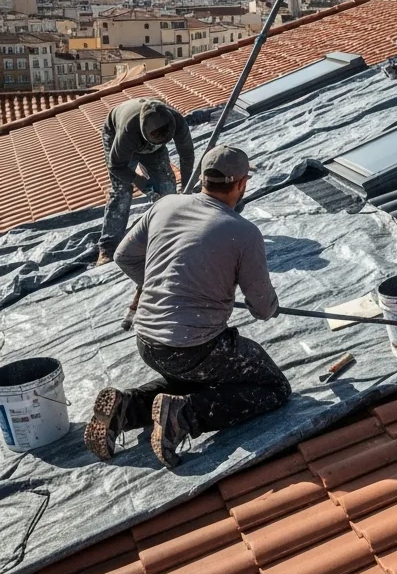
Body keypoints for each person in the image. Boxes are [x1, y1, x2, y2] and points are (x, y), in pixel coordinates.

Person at [84, 145, 290, 468]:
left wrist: (154, 282)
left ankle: (127, 408)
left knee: (195, 377)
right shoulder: (244, 233)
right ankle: (184, 416)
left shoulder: (165, 206)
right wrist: (270, 305)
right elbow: (262, 307)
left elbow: (122, 256)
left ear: (204, 180)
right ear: (241, 184)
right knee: (273, 386)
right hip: (195, 348)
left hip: (147, 341)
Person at [96, 98, 195, 265]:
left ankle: (169, 230)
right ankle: (108, 247)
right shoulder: (128, 133)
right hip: (116, 135)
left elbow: (187, 157)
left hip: (153, 148)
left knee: (167, 187)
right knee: (121, 191)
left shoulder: (176, 121)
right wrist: (137, 179)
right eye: (157, 135)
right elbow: (115, 166)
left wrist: (187, 187)